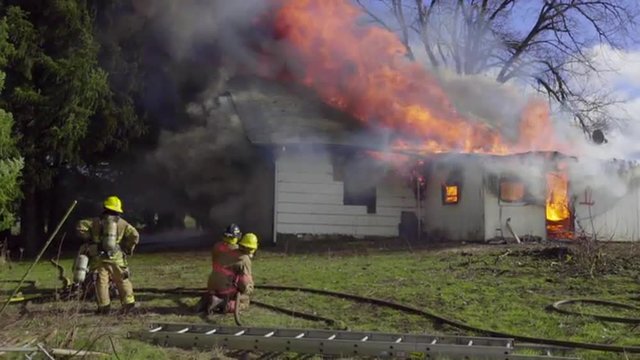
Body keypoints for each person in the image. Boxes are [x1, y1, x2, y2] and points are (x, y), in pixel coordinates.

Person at [76, 196, 140, 314]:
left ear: (105, 207)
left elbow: (80, 227)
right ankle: (128, 305)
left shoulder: (94, 221)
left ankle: (104, 308)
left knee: (101, 283)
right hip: (117, 258)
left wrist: (90, 239)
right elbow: (135, 235)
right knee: (123, 280)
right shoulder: (122, 223)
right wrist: (128, 248)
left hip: (98, 258)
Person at [204, 232, 258, 314]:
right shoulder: (244, 259)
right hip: (224, 290)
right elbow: (244, 283)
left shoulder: (229, 250)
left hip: (211, 287)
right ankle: (223, 304)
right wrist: (248, 290)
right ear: (253, 249)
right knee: (245, 301)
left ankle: (208, 300)